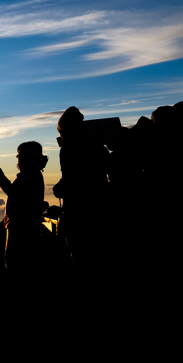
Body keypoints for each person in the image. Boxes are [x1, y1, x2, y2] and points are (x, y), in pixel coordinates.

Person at [52, 106, 109, 267]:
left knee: (80, 255)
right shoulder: (96, 145)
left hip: (77, 210)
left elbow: (71, 178)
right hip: (100, 205)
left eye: (61, 133)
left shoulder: (68, 150)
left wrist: (58, 189)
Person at [0, 141, 48, 274]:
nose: (18, 158)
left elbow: (14, 194)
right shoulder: (33, 174)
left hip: (21, 227)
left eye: (19, 155)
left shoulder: (30, 175)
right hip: (21, 225)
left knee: (16, 263)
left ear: (27, 157)